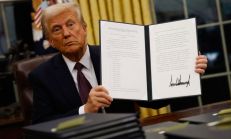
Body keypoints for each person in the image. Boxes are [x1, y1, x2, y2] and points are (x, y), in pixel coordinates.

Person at [29, 3, 208, 124]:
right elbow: (41, 125)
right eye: (57, 29)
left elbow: (152, 101)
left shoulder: (115, 55)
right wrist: (85, 109)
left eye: (70, 24)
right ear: (51, 41)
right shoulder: (41, 76)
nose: (66, 33)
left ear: (84, 28)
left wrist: (188, 73)